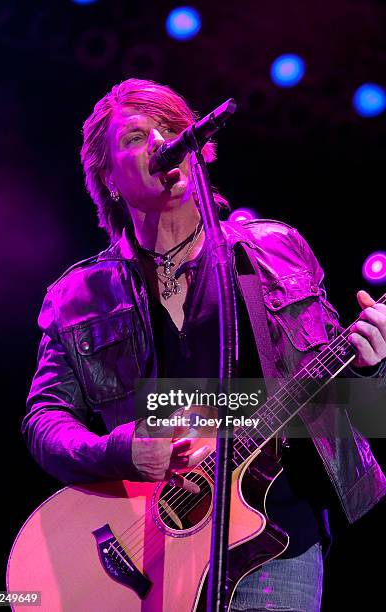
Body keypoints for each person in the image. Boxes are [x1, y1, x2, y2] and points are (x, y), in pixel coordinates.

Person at [22, 78, 386, 611]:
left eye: (171, 130)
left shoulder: (273, 251)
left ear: (198, 151)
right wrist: (118, 450)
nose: (162, 143)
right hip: (147, 550)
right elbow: (43, 420)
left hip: (276, 539)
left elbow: (350, 409)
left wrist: (367, 370)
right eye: (137, 137)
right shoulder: (79, 297)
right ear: (109, 178)